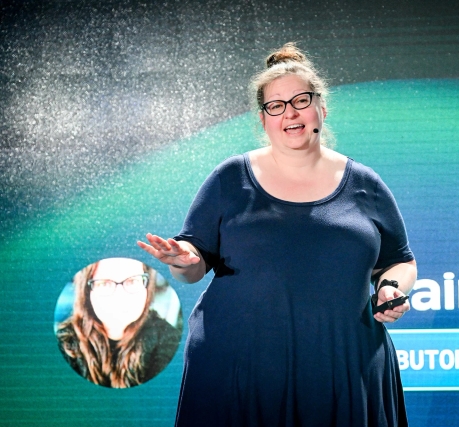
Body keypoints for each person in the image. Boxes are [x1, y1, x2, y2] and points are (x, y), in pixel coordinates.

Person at [138, 42, 417, 426]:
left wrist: (391, 288)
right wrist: (184, 260)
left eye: (301, 100)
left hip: (346, 370)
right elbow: (193, 265)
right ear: (264, 118)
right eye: (276, 105)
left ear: (322, 107)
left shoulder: (365, 184)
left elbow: (399, 261)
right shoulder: (230, 179)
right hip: (240, 371)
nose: (290, 113)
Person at [56, 257, 182, 388]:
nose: (120, 298)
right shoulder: (65, 342)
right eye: (104, 283)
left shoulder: (170, 341)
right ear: (87, 292)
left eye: (133, 281)